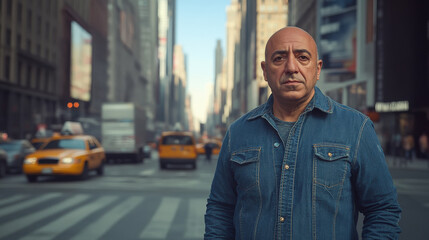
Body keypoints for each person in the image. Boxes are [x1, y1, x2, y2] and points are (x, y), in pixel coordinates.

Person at [204, 27, 401, 239]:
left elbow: (382, 209)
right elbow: (220, 209)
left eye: (302, 57)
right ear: (264, 70)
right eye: (279, 58)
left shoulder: (356, 127)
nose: (291, 67)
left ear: (317, 70)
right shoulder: (238, 132)